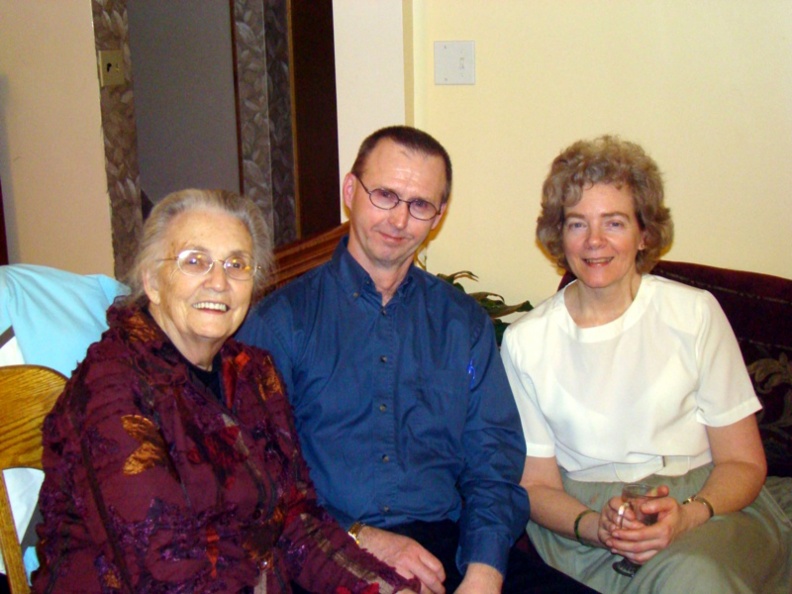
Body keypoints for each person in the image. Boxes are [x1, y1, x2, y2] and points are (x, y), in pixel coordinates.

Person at [236, 126, 594, 594]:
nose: (399, 219)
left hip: (449, 550)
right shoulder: (280, 324)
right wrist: (361, 537)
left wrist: (484, 573)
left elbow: (492, 462)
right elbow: (253, 475)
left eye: (419, 204)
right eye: (385, 195)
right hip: (328, 546)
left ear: (438, 215)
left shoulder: (463, 325)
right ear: (351, 191)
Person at [32, 189, 419, 593]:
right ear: (152, 281)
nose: (218, 282)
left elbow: (297, 522)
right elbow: (163, 572)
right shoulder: (112, 388)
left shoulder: (254, 373)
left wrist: (379, 587)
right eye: (194, 261)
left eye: (237, 264)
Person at [500, 135, 792, 593]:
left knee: (695, 577)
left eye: (613, 223)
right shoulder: (524, 342)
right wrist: (598, 526)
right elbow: (535, 487)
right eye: (577, 224)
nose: (595, 241)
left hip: (706, 506)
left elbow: (743, 461)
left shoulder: (694, 314)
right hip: (589, 529)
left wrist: (688, 515)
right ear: (559, 234)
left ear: (644, 233)